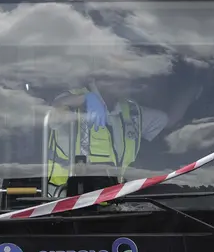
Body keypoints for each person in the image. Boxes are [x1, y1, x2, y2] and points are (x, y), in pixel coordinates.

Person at [45, 80, 200, 194]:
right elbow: (56, 106)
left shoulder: (129, 111)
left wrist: (194, 88)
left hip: (112, 201)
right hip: (62, 202)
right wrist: (85, 99)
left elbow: (168, 120)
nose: (129, 83)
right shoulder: (74, 100)